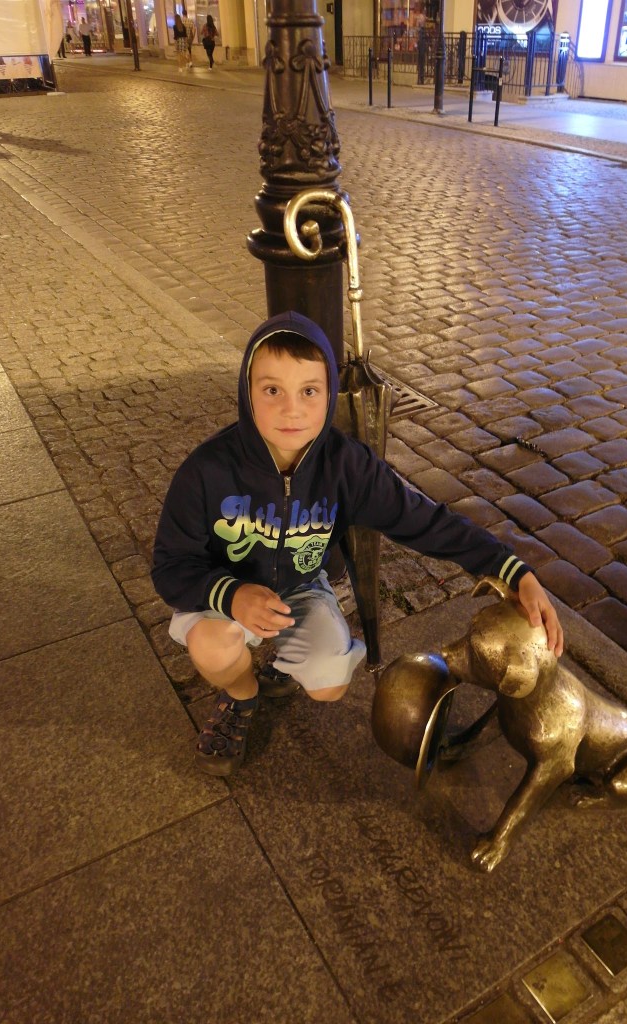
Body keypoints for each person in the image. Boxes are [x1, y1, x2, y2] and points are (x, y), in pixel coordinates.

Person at [151, 312, 564, 777]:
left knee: (329, 683)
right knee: (213, 647)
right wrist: (230, 595)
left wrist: (513, 570)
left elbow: (423, 520)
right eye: (272, 390)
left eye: (309, 391)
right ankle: (242, 695)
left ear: (330, 394)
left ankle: (283, 664)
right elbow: (170, 566)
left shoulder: (346, 465)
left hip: (299, 589)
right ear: (247, 392)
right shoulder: (206, 470)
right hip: (224, 595)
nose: (291, 409)